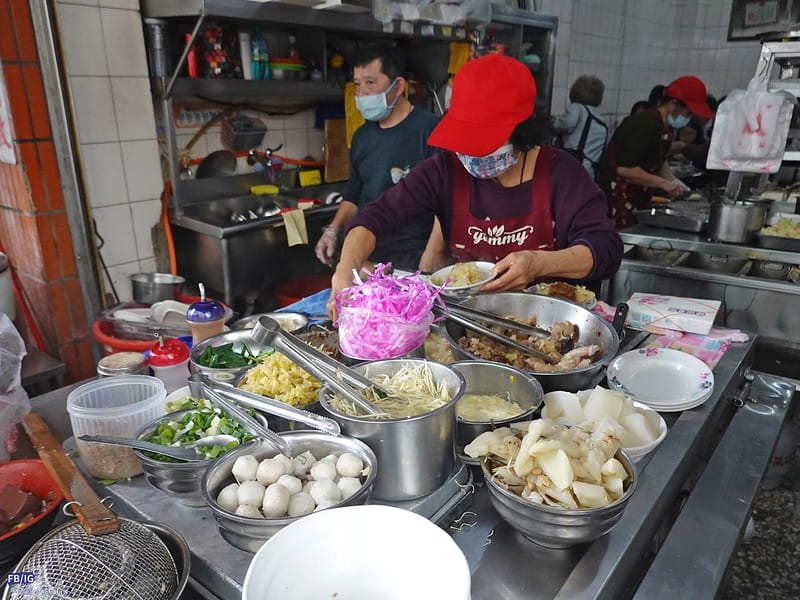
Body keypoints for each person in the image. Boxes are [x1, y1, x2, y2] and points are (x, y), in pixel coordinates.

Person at [328, 54, 622, 318]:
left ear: (522, 130)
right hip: (470, 322)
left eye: (484, 141)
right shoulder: (446, 170)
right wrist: (345, 270)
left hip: (548, 325)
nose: (470, 153)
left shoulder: (562, 173)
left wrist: (539, 263)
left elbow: (605, 248)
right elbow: (375, 217)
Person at [313, 44, 440, 272]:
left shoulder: (431, 131)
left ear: (398, 86)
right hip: (368, 258)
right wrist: (333, 230)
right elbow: (354, 194)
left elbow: (446, 204)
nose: (361, 93)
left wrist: (429, 262)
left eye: (370, 82)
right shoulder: (362, 137)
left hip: (413, 259)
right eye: (357, 84)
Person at [598, 75, 713, 228]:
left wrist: (676, 184)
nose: (688, 118)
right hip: (617, 199)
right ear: (673, 104)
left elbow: (658, 160)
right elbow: (625, 169)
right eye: (688, 113)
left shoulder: (664, 126)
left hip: (636, 197)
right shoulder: (647, 122)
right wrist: (664, 184)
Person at [552, 75, 609, 180]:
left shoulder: (577, 108)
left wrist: (554, 123)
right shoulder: (601, 120)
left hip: (571, 165)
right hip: (590, 170)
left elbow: (567, 123)